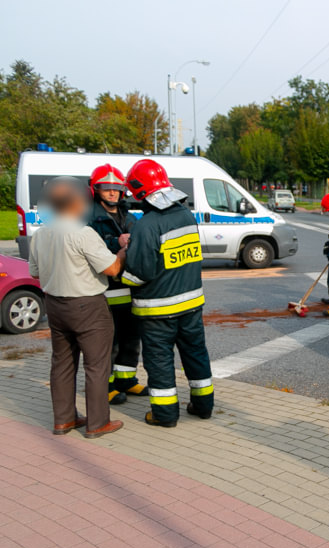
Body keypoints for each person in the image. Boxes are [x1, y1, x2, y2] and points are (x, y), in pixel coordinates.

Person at [28, 177, 125, 438]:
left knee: (62, 363)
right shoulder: (83, 233)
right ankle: (97, 423)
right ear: (75, 203)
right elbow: (112, 268)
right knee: (96, 366)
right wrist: (123, 249)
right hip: (87, 306)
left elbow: (35, 273)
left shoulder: (40, 235)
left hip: (55, 306)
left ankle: (64, 419)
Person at [121, 159, 213, 428]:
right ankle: (203, 406)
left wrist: (117, 272)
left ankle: (164, 415)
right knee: (196, 356)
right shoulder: (186, 216)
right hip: (192, 305)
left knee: (160, 362)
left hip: (157, 312)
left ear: (140, 192)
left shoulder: (146, 225)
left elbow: (140, 273)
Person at [87, 164, 148, 406]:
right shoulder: (89, 217)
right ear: (95, 190)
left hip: (128, 287)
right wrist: (115, 241)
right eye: (106, 188)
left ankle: (126, 379)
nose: (112, 193)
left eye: (117, 189)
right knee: (108, 342)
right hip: (104, 289)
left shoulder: (129, 216)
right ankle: (107, 385)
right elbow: (88, 247)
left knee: (131, 338)